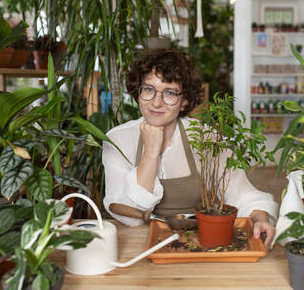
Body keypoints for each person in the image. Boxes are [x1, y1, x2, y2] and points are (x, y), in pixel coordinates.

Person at [102, 49, 277, 249]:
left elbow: (244, 195)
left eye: (169, 93)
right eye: (149, 89)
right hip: (136, 245)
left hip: (202, 243)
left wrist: (260, 217)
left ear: (184, 101)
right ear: (138, 91)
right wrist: (151, 153)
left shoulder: (207, 138)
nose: (156, 102)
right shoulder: (117, 139)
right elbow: (129, 216)